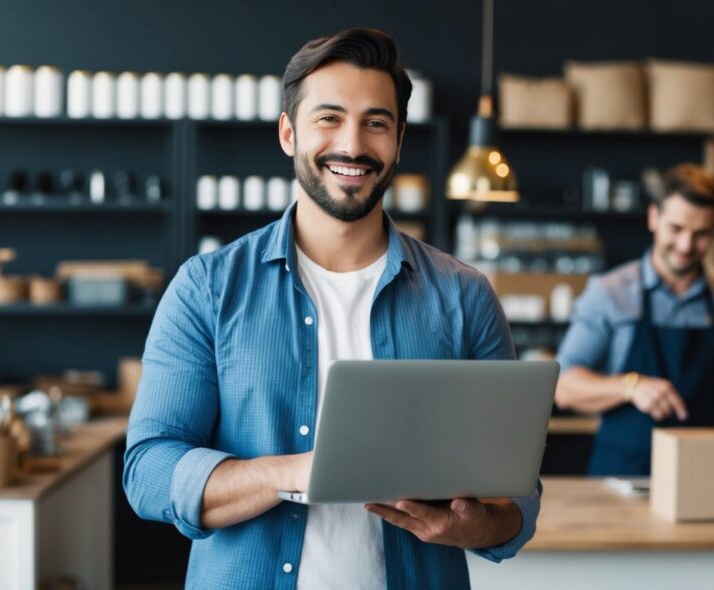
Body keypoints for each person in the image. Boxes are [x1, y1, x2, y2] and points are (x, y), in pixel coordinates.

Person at [123, 28, 539, 589]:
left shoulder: (464, 296)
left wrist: (477, 525)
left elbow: (515, 494)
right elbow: (148, 473)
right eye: (329, 118)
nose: (353, 144)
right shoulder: (207, 288)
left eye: (376, 122)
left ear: (398, 141)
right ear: (289, 133)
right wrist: (295, 472)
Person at [554, 163, 714, 476]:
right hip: (621, 479)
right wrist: (630, 386)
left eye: (701, 235)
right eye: (676, 229)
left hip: (707, 479)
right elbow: (562, 386)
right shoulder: (609, 293)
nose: (686, 246)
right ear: (653, 217)